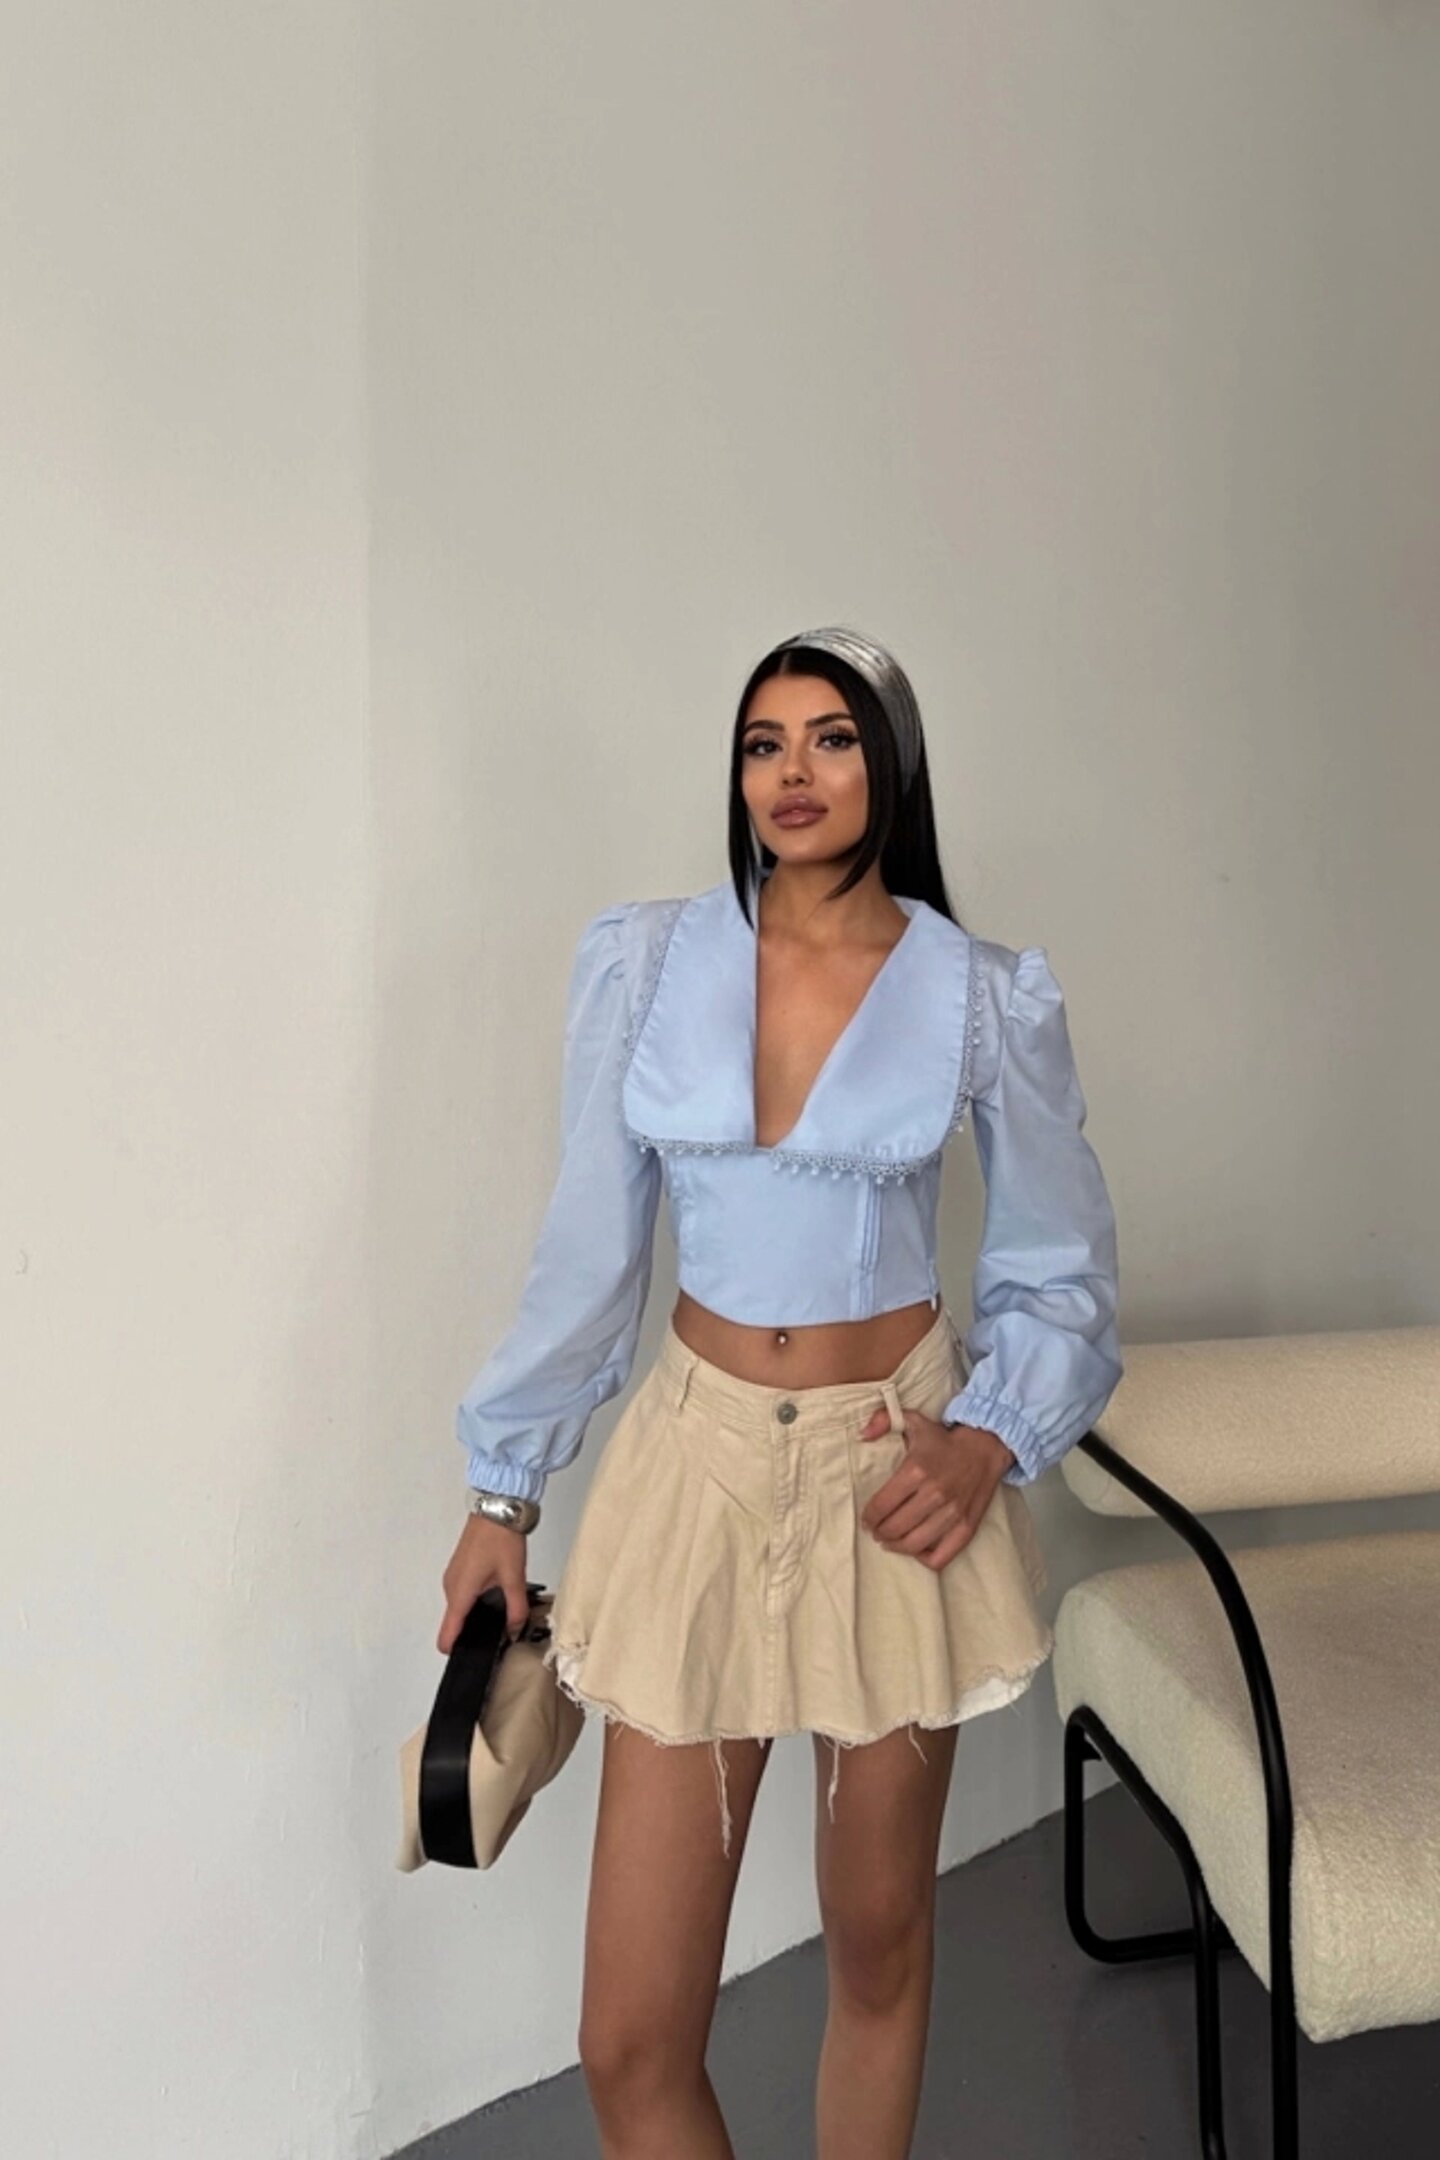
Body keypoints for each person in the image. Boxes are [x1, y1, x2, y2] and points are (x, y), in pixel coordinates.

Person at [438, 626, 1123, 2160]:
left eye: (832, 737)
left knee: (876, 1946)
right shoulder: (648, 963)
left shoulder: (979, 995)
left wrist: (994, 1437)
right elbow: (588, 1256)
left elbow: (1060, 1266)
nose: (792, 771)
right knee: (630, 2038)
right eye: (764, 742)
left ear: (893, 766)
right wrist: (503, 1493)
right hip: (696, 1468)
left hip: (894, 1473)